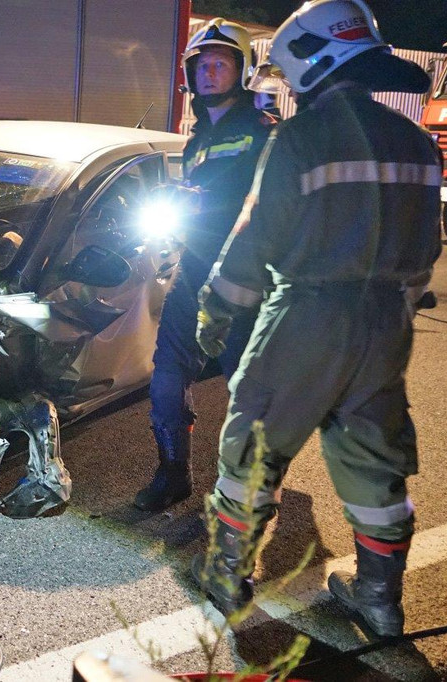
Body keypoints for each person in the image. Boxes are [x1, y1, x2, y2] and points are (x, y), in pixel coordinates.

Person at [191, 0, 442, 637]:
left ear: (310, 61)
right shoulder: (416, 142)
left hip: (308, 314)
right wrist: (395, 309)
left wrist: (216, 307)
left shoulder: (299, 138)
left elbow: (257, 239)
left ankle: (227, 573)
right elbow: (426, 252)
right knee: (374, 459)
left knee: (253, 444)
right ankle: (380, 601)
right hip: (387, 323)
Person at [134, 19, 277, 512]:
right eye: (202, 64)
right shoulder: (196, 138)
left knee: (246, 391)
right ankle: (173, 474)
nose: (209, 72)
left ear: (243, 71)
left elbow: (272, 206)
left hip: (244, 277)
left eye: (221, 63)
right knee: (167, 377)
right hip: (193, 270)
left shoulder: (263, 132)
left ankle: (247, 495)